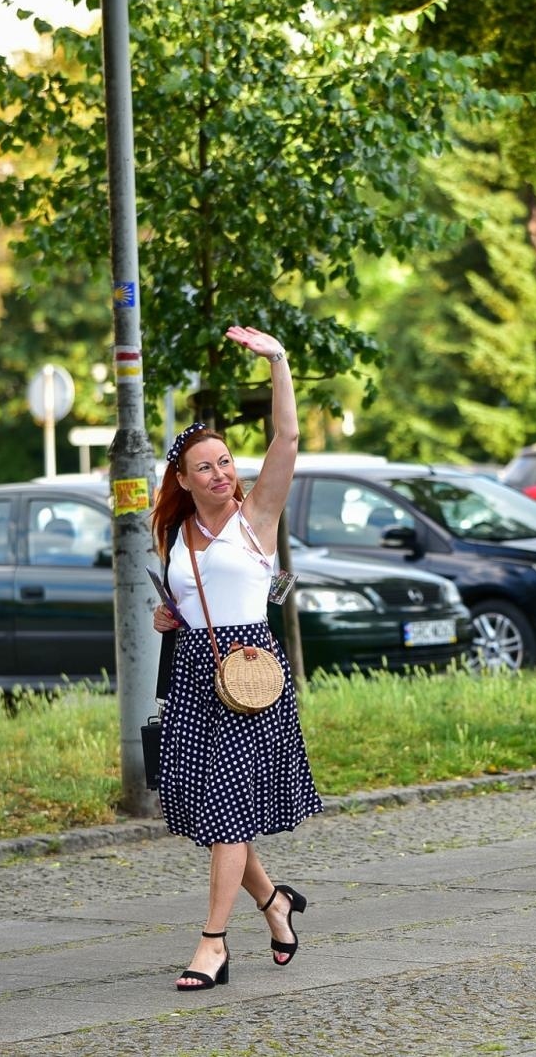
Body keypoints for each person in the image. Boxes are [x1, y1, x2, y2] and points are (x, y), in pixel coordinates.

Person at [150, 325, 321, 992]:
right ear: (184, 480)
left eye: (225, 462)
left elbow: (287, 441)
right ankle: (275, 903)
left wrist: (278, 360)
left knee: (225, 806)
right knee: (212, 811)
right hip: (195, 672)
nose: (222, 473)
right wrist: (171, 614)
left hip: (250, 674)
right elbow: (189, 595)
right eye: (207, 467)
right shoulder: (176, 530)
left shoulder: (257, 517)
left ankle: (213, 944)